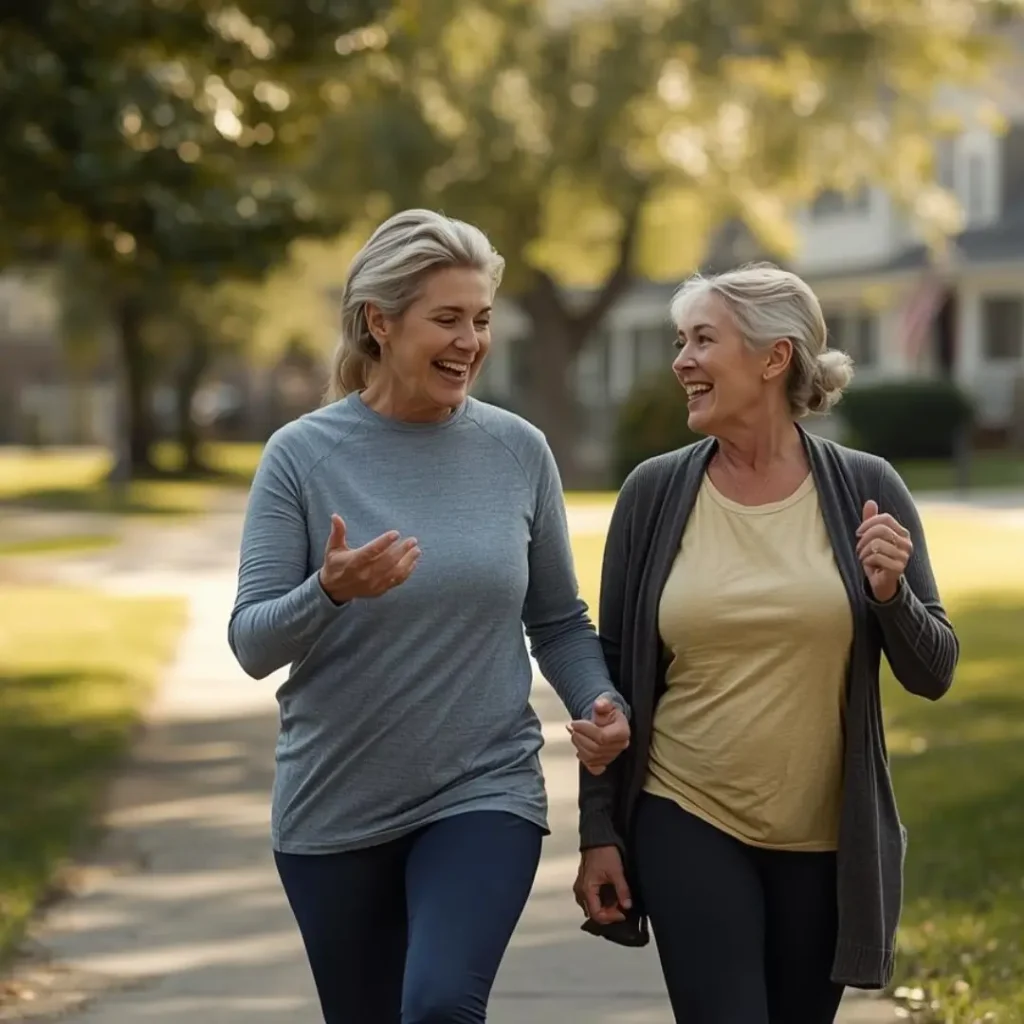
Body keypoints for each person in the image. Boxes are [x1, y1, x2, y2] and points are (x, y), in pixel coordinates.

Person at [228, 209, 631, 1024]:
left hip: (483, 789)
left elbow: (557, 619)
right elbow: (251, 642)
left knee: (442, 1003)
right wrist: (328, 590)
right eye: (447, 319)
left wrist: (601, 700)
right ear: (380, 322)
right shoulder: (300, 456)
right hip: (334, 803)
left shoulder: (518, 450)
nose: (470, 342)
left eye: (481, 320)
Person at [573, 263, 958, 1024]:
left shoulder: (866, 486)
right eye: (680, 342)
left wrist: (891, 595)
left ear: (773, 357)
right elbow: (609, 677)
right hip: (685, 811)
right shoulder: (653, 493)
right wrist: (599, 830)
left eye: (702, 340)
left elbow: (934, 671)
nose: (682, 362)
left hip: (825, 837)